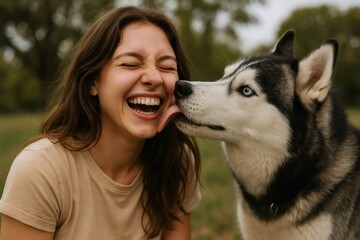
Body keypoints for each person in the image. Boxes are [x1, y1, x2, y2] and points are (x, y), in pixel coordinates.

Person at [0, 6, 201, 240]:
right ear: (92, 81)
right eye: (130, 64)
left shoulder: (176, 161)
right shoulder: (41, 170)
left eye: (167, 67)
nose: (154, 77)